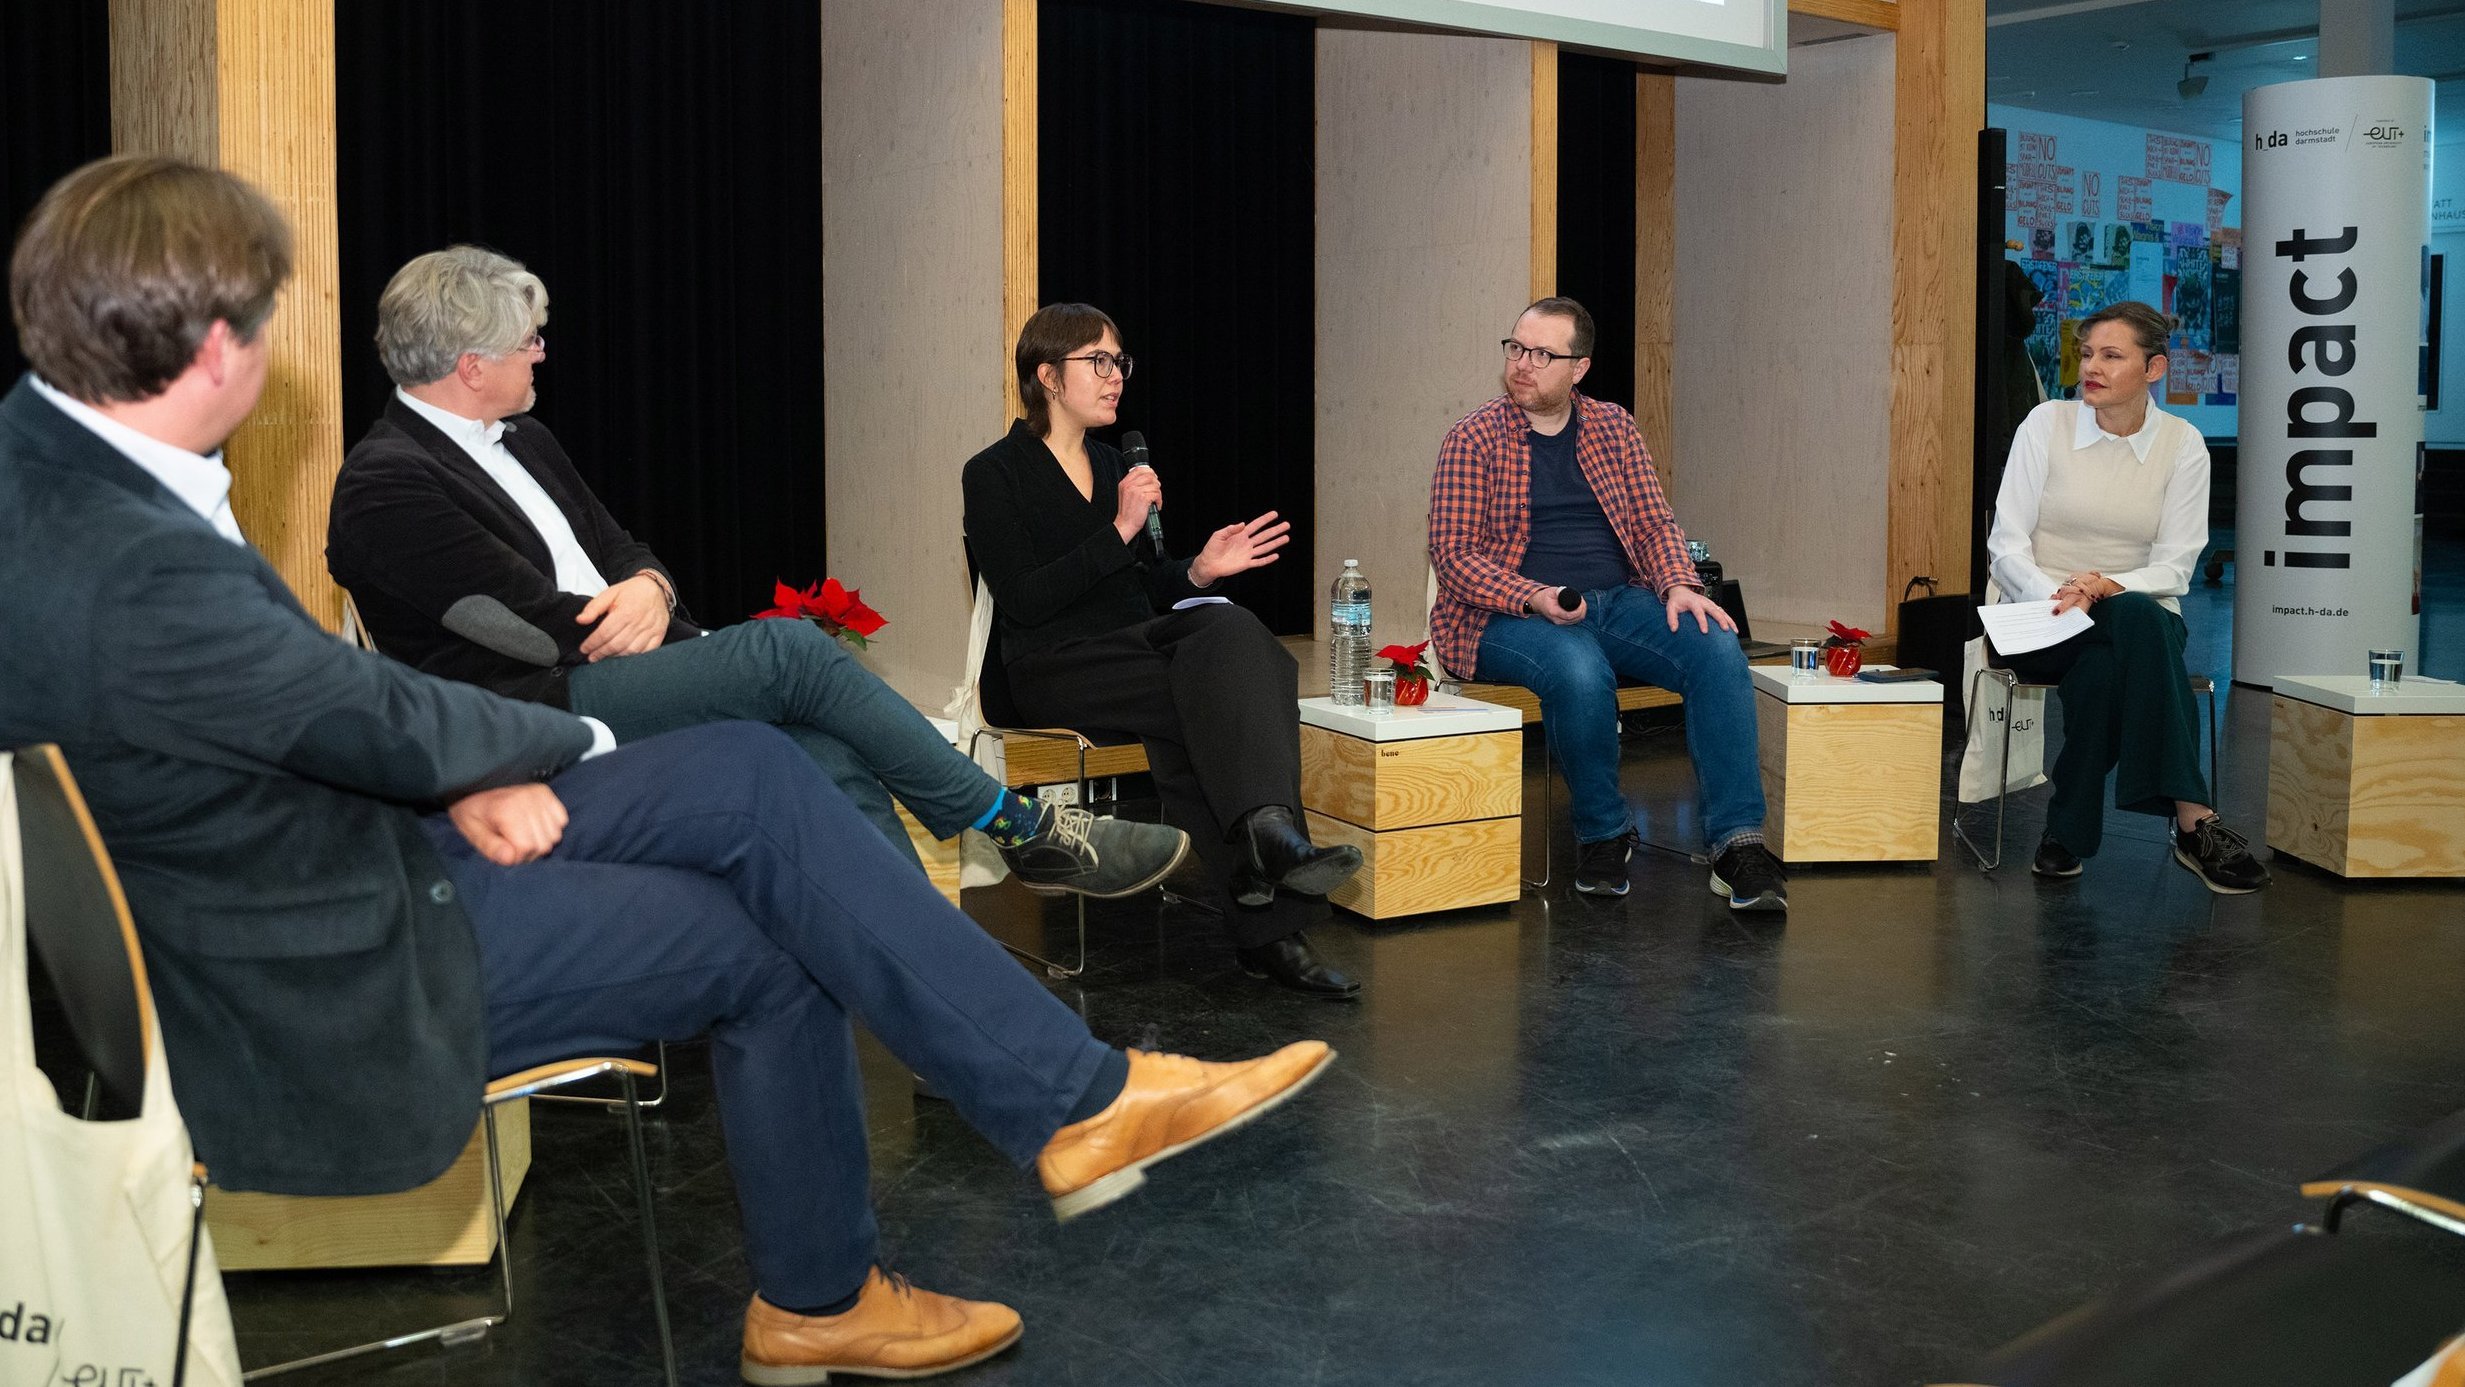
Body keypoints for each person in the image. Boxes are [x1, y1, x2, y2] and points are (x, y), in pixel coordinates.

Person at [0, 155, 1336, 1381]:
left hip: (349, 849)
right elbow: (352, 695)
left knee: (759, 771)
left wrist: (465, 760)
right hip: (323, 959)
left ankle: (1062, 1107)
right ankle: (897, 1230)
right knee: (769, 874)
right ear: (219, 340)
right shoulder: (132, 545)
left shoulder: (66, 468)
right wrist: (525, 748)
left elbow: (301, 709)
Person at [326, 246, 1187, 903]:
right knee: (787, 653)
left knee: (830, 752)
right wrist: (637, 613)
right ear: (470, 365)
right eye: (527, 341)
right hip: (536, 711)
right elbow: (523, 627)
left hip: (624, 661)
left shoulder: (527, 438)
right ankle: (1017, 823)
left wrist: (653, 589)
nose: (542, 354)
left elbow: (625, 547)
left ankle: (940, 984)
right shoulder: (385, 483)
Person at [960, 304, 1364, 999]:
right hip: (1051, 664)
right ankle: (1267, 903)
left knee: (1232, 630)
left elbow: (1149, 586)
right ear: (1048, 376)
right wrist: (1119, 526)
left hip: (1136, 652)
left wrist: (1199, 572)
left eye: (1120, 362)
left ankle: (1262, 843)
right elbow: (1025, 600)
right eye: (1099, 362)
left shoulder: (1116, 462)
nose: (1116, 376)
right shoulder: (994, 472)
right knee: (1214, 689)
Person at [1430, 297, 1787, 909]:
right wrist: (1535, 595)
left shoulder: (1613, 427)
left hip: (1615, 601)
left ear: (1579, 368)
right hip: (1500, 616)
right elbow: (1455, 557)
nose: (1523, 364)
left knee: (1716, 648)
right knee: (1577, 669)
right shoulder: (1473, 438)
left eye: (1543, 354)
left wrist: (1678, 583)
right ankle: (1602, 831)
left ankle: (1736, 843)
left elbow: (1652, 524)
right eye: (1516, 348)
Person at [1986, 300, 2269, 893]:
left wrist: (2108, 587)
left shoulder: (2183, 445)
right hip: (2036, 619)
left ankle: (2065, 834)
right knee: (2131, 637)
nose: (2092, 366)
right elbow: (2006, 546)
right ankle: (2194, 818)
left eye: (2112, 355)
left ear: (2155, 368)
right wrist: (2064, 596)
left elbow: (2176, 566)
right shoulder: (2046, 424)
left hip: (2135, 616)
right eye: (2087, 353)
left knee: (2113, 656)